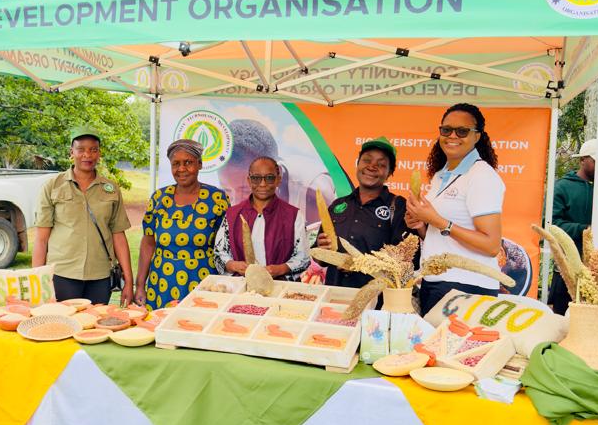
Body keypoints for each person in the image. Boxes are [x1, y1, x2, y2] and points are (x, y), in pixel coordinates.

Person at [406, 104, 505, 317]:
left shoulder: (481, 176)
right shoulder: (441, 175)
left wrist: (438, 221)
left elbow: (491, 246)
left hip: (468, 286)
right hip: (436, 282)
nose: (453, 136)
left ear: (477, 136)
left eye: (462, 131)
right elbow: (443, 237)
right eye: (446, 130)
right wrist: (422, 225)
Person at [32, 126, 133, 305]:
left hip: (100, 276)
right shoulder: (53, 186)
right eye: (81, 149)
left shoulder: (111, 189)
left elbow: (118, 235)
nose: (87, 155)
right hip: (62, 273)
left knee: (96, 327)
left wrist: (129, 281)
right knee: (62, 327)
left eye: (93, 150)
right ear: (72, 152)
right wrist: (37, 281)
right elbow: (41, 239)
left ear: (99, 154)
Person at [135, 139, 230, 309]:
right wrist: (140, 285)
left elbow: (226, 246)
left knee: (197, 326)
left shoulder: (217, 198)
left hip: (203, 281)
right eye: (176, 164)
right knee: (161, 327)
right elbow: (148, 243)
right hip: (162, 281)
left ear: (199, 164)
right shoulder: (159, 198)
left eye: (188, 163)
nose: (182, 169)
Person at [314, 137, 408, 288]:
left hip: (375, 299)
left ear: (390, 172)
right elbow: (321, 259)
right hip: (334, 294)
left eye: (381, 164)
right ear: (358, 164)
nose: (372, 167)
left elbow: (406, 261)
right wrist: (321, 249)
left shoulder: (398, 207)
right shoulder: (338, 205)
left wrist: (360, 264)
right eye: (366, 160)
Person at [213, 156, 310, 280]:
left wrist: (280, 269)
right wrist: (234, 265)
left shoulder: (294, 215)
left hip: (281, 288)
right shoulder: (233, 214)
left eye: (269, 178)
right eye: (256, 178)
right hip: (242, 288)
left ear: (278, 180)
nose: (263, 184)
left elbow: (303, 258)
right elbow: (219, 254)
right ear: (249, 180)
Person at [547, 139, 596, 314]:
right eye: (595, 161)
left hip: (597, 271)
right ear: (582, 160)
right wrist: (587, 229)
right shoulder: (562, 187)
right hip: (567, 268)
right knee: (563, 317)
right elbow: (554, 225)